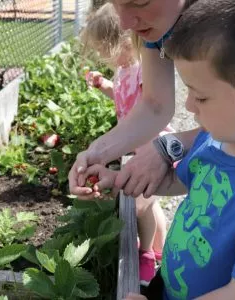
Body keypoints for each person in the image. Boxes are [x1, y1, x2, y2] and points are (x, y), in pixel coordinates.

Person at [77, 0, 235, 299]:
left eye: (201, 97)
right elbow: (179, 181)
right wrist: (116, 178)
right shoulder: (217, 142)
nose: (188, 106)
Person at [69, 0, 199, 202]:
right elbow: (155, 105)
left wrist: (168, 146)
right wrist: (96, 153)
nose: (124, 24)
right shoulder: (159, 31)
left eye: (139, 2)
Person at [79, 3, 172, 285]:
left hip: (154, 147)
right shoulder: (122, 72)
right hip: (137, 147)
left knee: (141, 205)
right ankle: (159, 250)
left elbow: (149, 109)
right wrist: (104, 85)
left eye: (104, 50)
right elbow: (121, 97)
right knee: (151, 205)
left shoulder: (143, 70)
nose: (102, 57)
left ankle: (144, 254)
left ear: (124, 41)